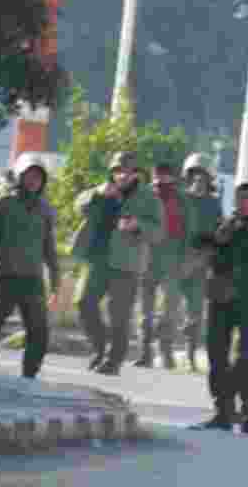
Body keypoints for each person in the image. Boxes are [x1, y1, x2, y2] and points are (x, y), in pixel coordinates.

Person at [72, 151, 163, 376]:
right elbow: (78, 206)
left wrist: (138, 225)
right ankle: (99, 346)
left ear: (136, 174)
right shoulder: (102, 189)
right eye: (118, 170)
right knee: (83, 302)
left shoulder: (148, 198)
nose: (122, 175)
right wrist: (96, 194)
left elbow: (159, 232)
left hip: (127, 263)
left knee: (119, 315)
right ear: (112, 171)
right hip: (98, 258)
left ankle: (113, 361)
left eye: (128, 171)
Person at [0, 152, 60, 378]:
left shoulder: (45, 210)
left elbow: (49, 248)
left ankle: (30, 374)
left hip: (32, 280)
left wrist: (55, 280)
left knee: (39, 331)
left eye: (38, 177)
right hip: (4, 276)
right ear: (20, 176)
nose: (33, 181)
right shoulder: (3, 203)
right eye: (29, 176)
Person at [193, 182, 248, 435]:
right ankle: (223, 412)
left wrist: (233, 230)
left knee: (246, 358)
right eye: (242, 198)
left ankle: (247, 410)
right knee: (217, 355)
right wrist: (219, 232)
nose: (246, 203)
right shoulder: (222, 225)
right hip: (221, 298)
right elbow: (201, 242)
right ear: (235, 201)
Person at [135, 163, 188, 369]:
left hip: (172, 258)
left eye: (166, 177)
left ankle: (166, 352)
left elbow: (187, 230)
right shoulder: (144, 196)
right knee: (145, 310)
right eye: (158, 178)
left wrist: (184, 259)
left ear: (172, 178)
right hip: (147, 256)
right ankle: (144, 352)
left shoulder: (181, 200)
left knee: (170, 310)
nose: (161, 182)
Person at [178, 152, 223, 372]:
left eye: (202, 176)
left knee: (195, 314)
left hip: (200, 264)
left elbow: (218, 236)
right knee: (166, 309)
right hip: (175, 262)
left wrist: (201, 259)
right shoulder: (179, 199)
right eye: (194, 175)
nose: (198, 180)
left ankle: (189, 355)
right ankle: (160, 351)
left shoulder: (213, 205)